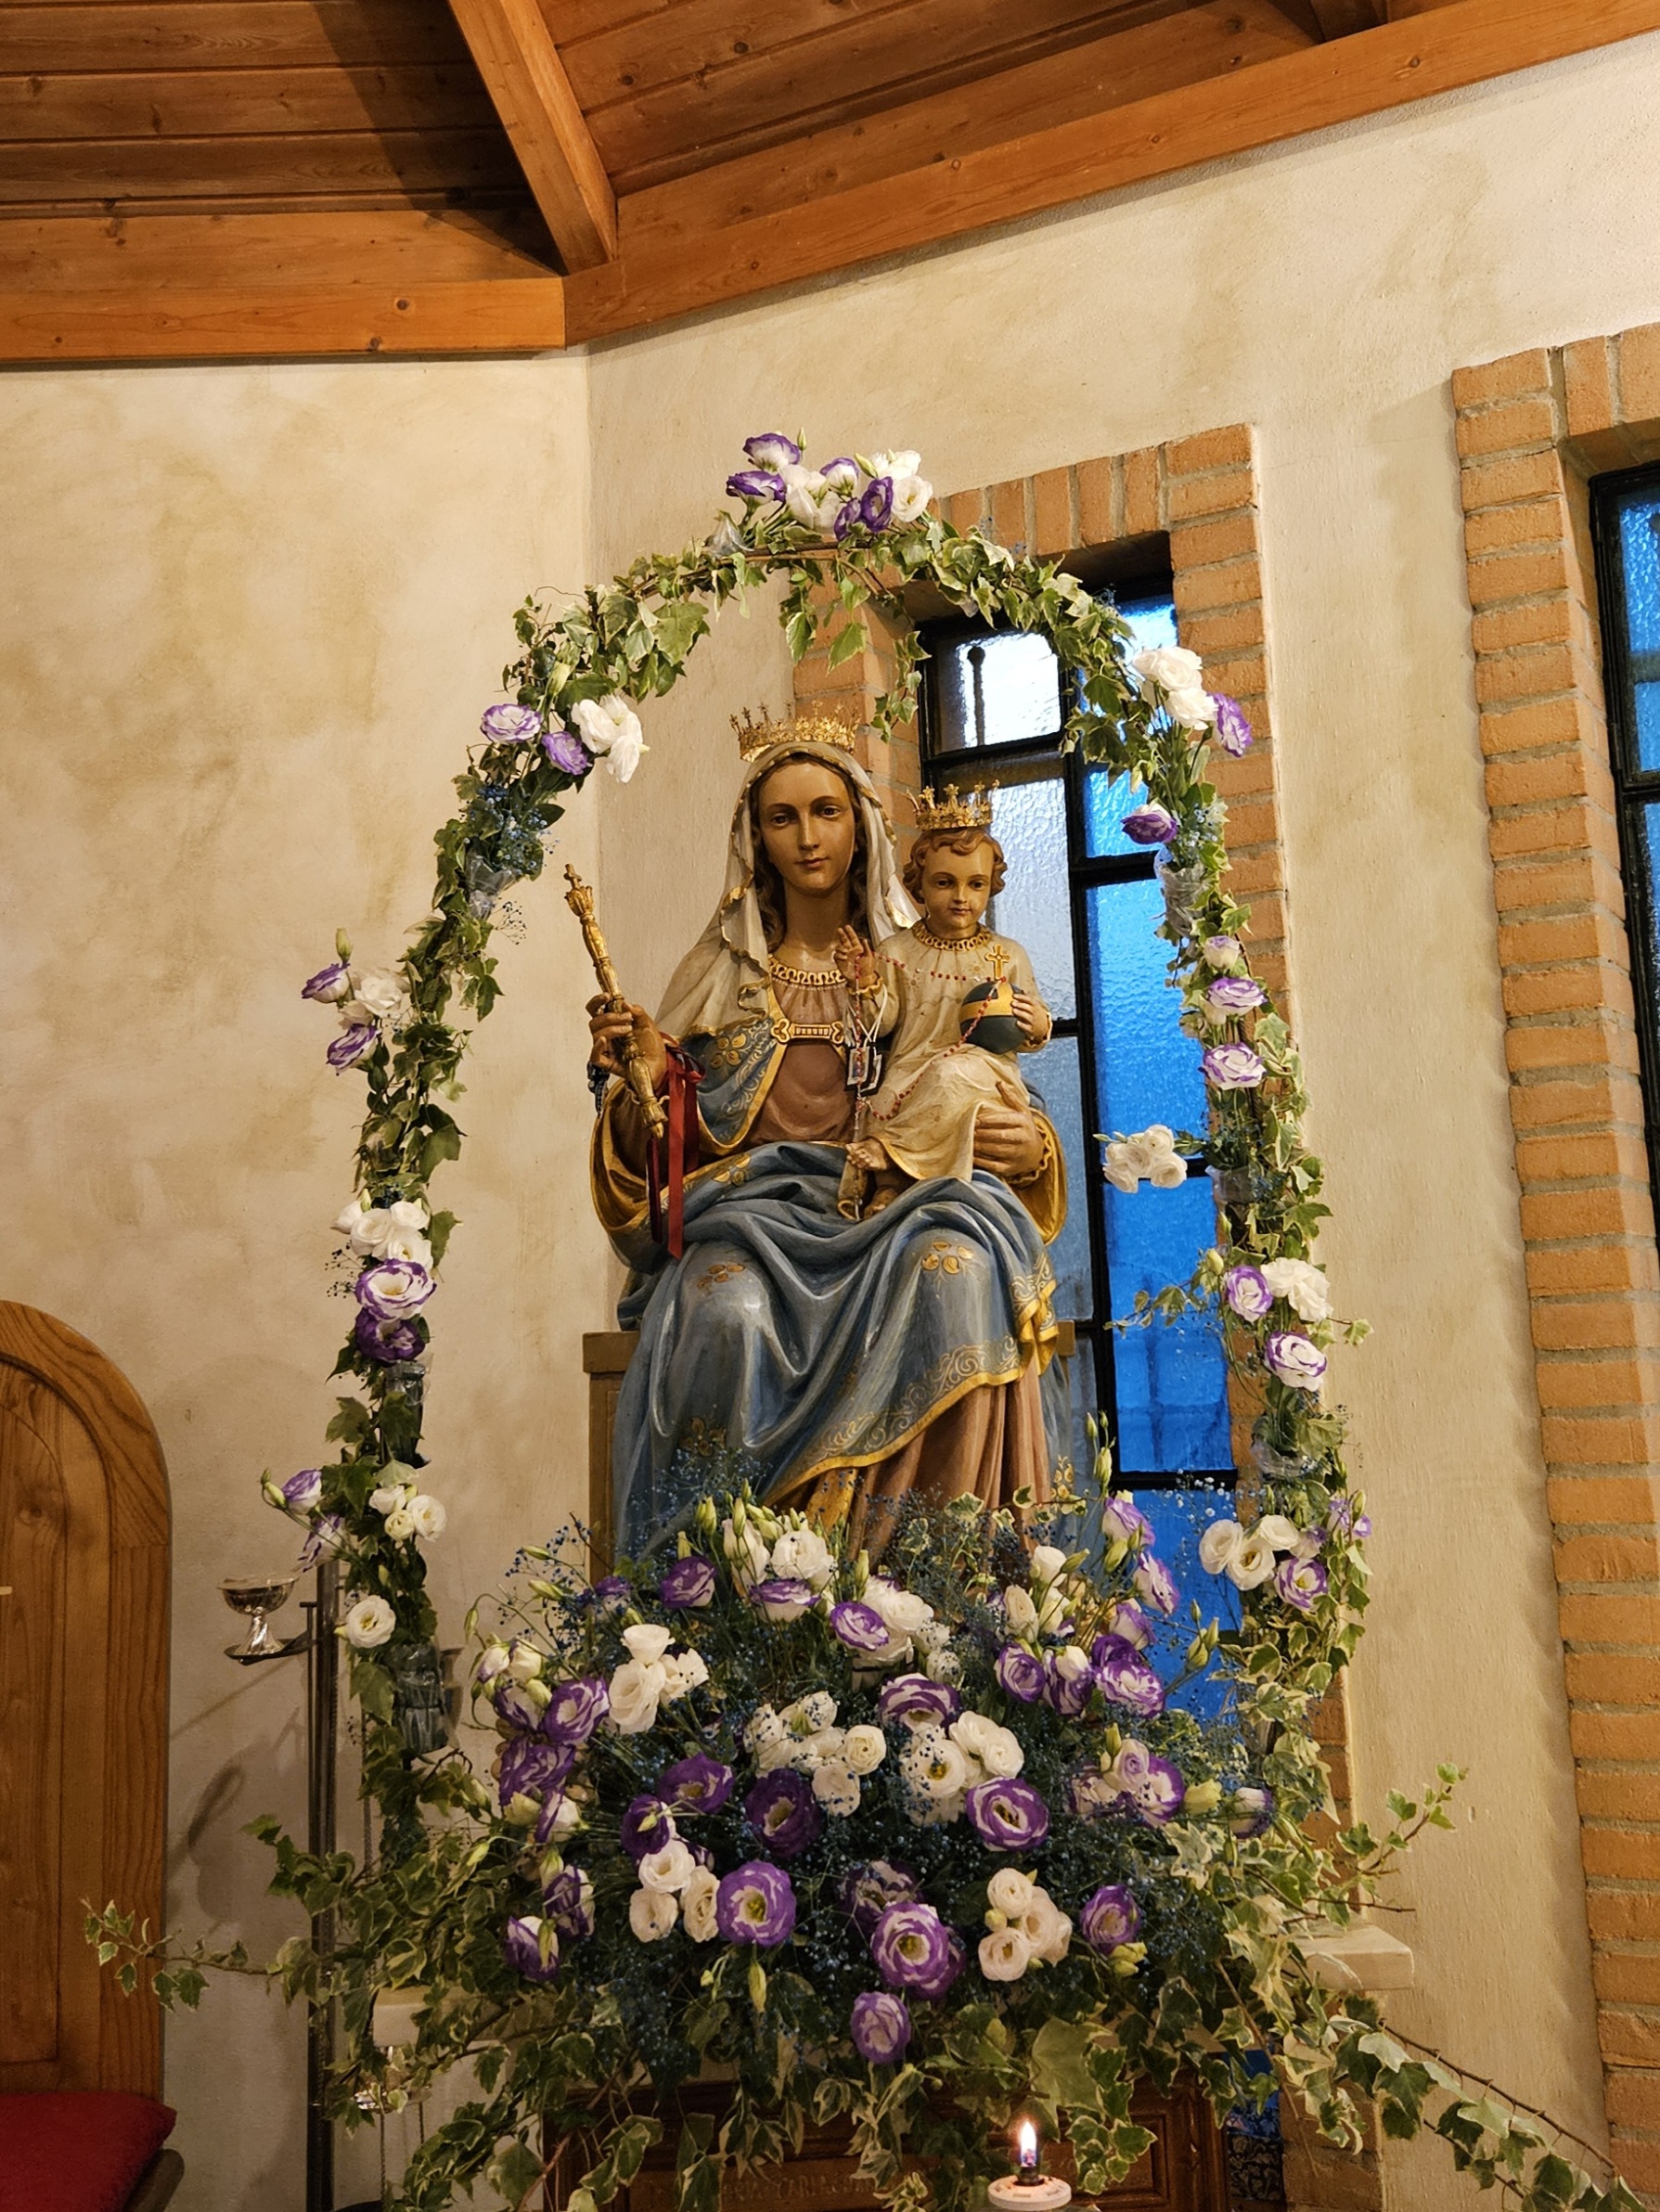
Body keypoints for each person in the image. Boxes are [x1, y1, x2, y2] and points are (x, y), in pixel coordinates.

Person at [586, 713, 1069, 1555]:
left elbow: (989, 1077)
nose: (807, 837)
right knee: (726, 1314)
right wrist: (643, 1075)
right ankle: (731, 1586)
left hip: (895, 1207)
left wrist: (1032, 1153)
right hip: (749, 1213)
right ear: (755, 839)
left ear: (862, 826)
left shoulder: (917, 956)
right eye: (783, 817)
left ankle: (924, 1585)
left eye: (826, 811)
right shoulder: (718, 974)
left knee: (957, 1275)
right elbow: (664, 1143)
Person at [838, 789, 1053, 1217]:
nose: (961, 897)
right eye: (944, 882)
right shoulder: (897, 950)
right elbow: (882, 1023)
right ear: (919, 885)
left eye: (975, 884)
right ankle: (890, 1187)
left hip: (984, 1071)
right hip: (915, 1064)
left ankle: (892, 1152)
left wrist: (1037, 1023)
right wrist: (864, 984)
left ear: (991, 885)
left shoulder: (1007, 954)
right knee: (890, 1097)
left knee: (953, 1076)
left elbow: (1032, 1026)